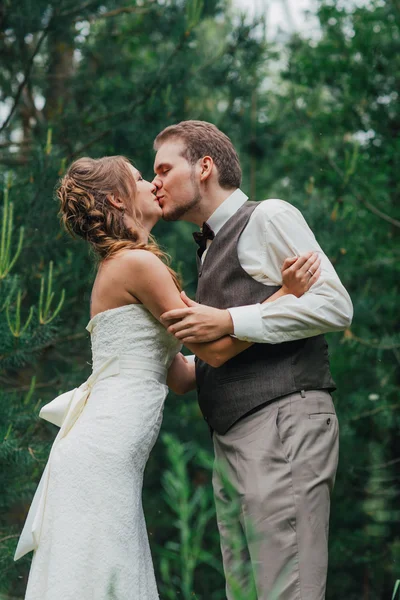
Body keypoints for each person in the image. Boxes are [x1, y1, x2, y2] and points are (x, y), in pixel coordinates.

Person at [14, 155, 318, 600]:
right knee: (102, 570)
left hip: (106, 449)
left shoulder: (127, 264)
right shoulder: (137, 263)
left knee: (107, 568)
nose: (151, 184)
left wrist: (260, 349)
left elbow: (179, 375)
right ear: (118, 198)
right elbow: (213, 347)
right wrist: (284, 297)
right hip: (103, 449)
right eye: (140, 178)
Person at [153, 120, 353, 600]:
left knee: (290, 590)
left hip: (283, 420)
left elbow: (334, 305)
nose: (154, 182)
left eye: (163, 168)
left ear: (204, 167)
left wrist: (230, 322)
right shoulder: (207, 249)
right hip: (233, 439)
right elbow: (212, 356)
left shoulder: (269, 216)